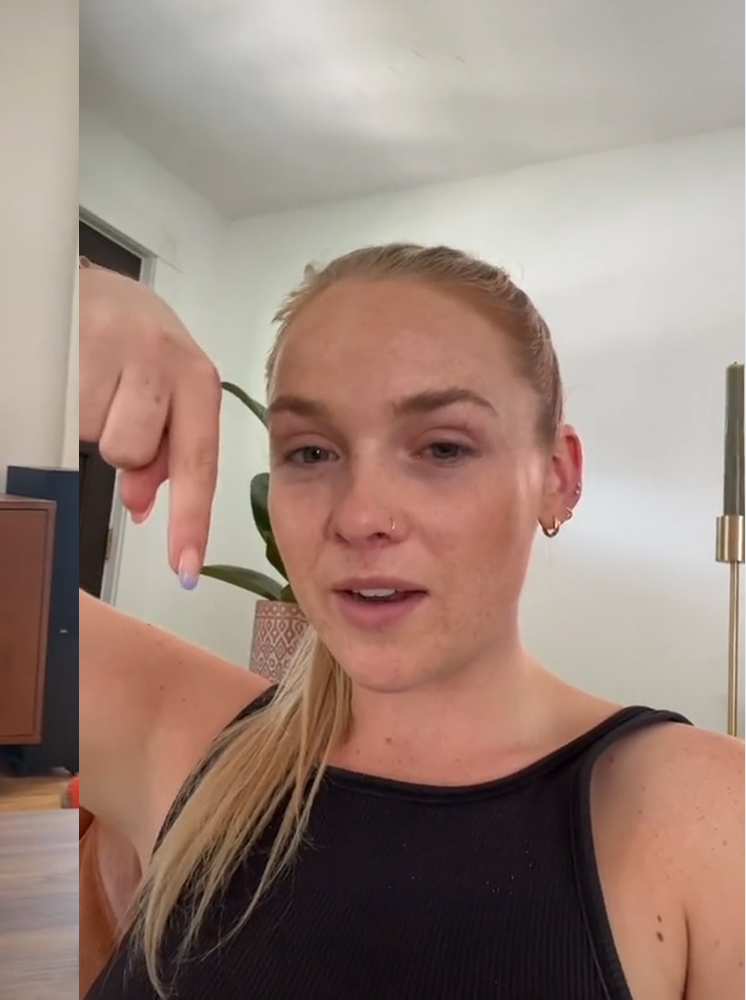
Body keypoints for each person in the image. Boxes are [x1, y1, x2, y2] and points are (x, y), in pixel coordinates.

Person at [71, 244, 741, 1000]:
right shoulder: (192, 740)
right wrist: (64, 298)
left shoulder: (703, 817)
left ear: (558, 477)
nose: (360, 516)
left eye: (443, 447)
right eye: (312, 451)